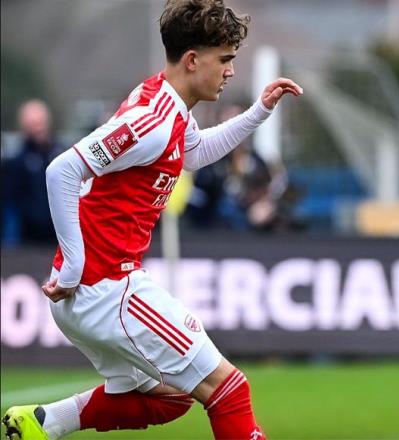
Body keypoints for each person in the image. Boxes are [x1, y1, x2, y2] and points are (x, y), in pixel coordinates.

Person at [2, 1, 302, 439]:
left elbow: (194, 154)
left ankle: (44, 424)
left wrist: (259, 111)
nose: (231, 71)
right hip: (105, 288)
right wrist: (73, 265)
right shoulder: (152, 121)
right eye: (225, 59)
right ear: (192, 60)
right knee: (229, 390)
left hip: (96, 291)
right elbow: (62, 171)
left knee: (172, 397)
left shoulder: (168, 104)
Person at [1, 99, 63, 245]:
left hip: (60, 237)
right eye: (32, 124)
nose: (37, 129)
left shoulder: (62, 156)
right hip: (28, 239)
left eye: (40, 123)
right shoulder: (16, 162)